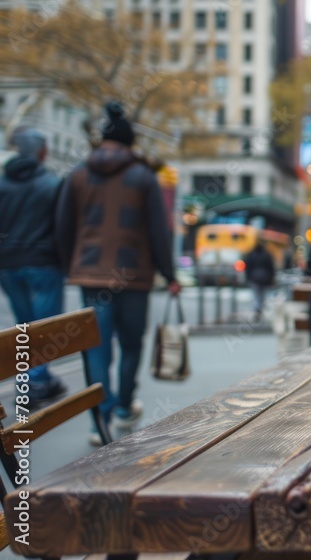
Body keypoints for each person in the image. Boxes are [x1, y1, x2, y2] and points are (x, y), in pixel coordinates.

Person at [56, 102, 180, 440]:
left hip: (91, 274)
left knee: (96, 348)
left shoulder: (78, 174)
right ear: (129, 143)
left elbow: (63, 226)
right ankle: (125, 406)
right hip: (134, 275)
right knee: (131, 344)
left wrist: (73, 264)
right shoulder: (143, 176)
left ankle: (102, 417)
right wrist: (169, 275)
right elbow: (159, 230)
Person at [0, 127, 67, 402]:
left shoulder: (2, 184)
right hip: (43, 264)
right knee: (43, 327)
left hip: (8, 265)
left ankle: (35, 378)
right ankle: (35, 382)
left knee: (24, 326)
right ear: (41, 151)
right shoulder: (52, 184)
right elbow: (62, 226)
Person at [243, 241, 275, 320]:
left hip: (254, 278)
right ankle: (259, 309)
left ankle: (257, 310)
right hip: (265, 278)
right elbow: (271, 268)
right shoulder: (267, 255)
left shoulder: (251, 255)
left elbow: (248, 267)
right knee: (262, 295)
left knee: (256, 295)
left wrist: (247, 277)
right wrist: (271, 278)